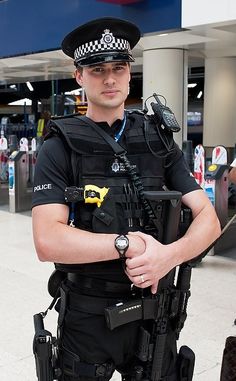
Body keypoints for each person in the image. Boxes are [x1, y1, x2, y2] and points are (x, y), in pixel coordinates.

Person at [32, 17, 221, 381]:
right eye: (97, 69)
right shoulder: (59, 146)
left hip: (156, 314)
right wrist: (127, 243)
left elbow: (208, 219)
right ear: (78, 76)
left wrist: (169, 256)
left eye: (118, 67)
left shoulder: (158, 139)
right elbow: (47, 240)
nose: (109, 78)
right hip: (89, 319)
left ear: (130, 72)